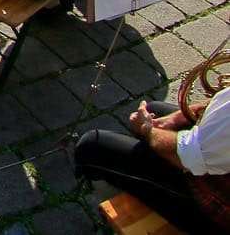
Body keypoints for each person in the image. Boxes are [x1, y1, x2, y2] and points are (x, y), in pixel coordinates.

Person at [73, 69, 230, 233]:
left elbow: (187, 155)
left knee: (91, 147)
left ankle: (121, 216)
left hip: (217, 211)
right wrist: (175, 119)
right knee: (154, 109)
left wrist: (148, 130)